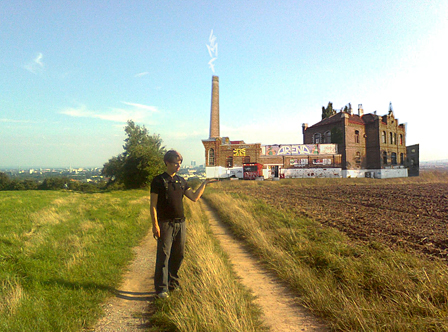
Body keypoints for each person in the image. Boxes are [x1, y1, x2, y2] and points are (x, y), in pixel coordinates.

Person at [150, 150, 214, 299]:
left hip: (181, 223)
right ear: (167, 163)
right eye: (175, 163)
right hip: (165, 224)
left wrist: (204, 183)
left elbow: (194, 197)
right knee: (164, 256)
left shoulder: (181, 181)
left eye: (179, 164)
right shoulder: (158, 181)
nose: (178, 166)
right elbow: (153, 205)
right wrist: (155, 225)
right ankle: (161, 289)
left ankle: (173, 284)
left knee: (179, 255)